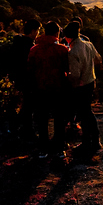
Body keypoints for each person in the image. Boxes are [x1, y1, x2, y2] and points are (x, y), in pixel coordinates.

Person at [27, 21, 70, 158]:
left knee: (42, 119)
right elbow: (67, 69)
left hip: (40, 88)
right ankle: (59, 148)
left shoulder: (34, 50)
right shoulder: (62, 50)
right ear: (57, 33)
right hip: (58, 88)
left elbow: (30, 70)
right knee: (59, 119)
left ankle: (43, 148)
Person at [65, 20, 103, 156]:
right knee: (87, 112)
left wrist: (68, 79)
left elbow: (74, 75)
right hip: (91, 81)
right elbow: (98, 59)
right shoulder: (89, 45)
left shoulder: (73, 52)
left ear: (68, 37)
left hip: (80, 85)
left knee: (84, 113)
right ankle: (95, 140)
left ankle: (88, 142)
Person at [6, 19, 41, 138]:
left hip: (19, 78)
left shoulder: (17, 42)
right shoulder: (29, 46)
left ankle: (18, 127)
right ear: (33, 31)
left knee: (27, 104)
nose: (38, 33)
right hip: (29, 79)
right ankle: (26, 130)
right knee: (29, 105)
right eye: (38, 30)